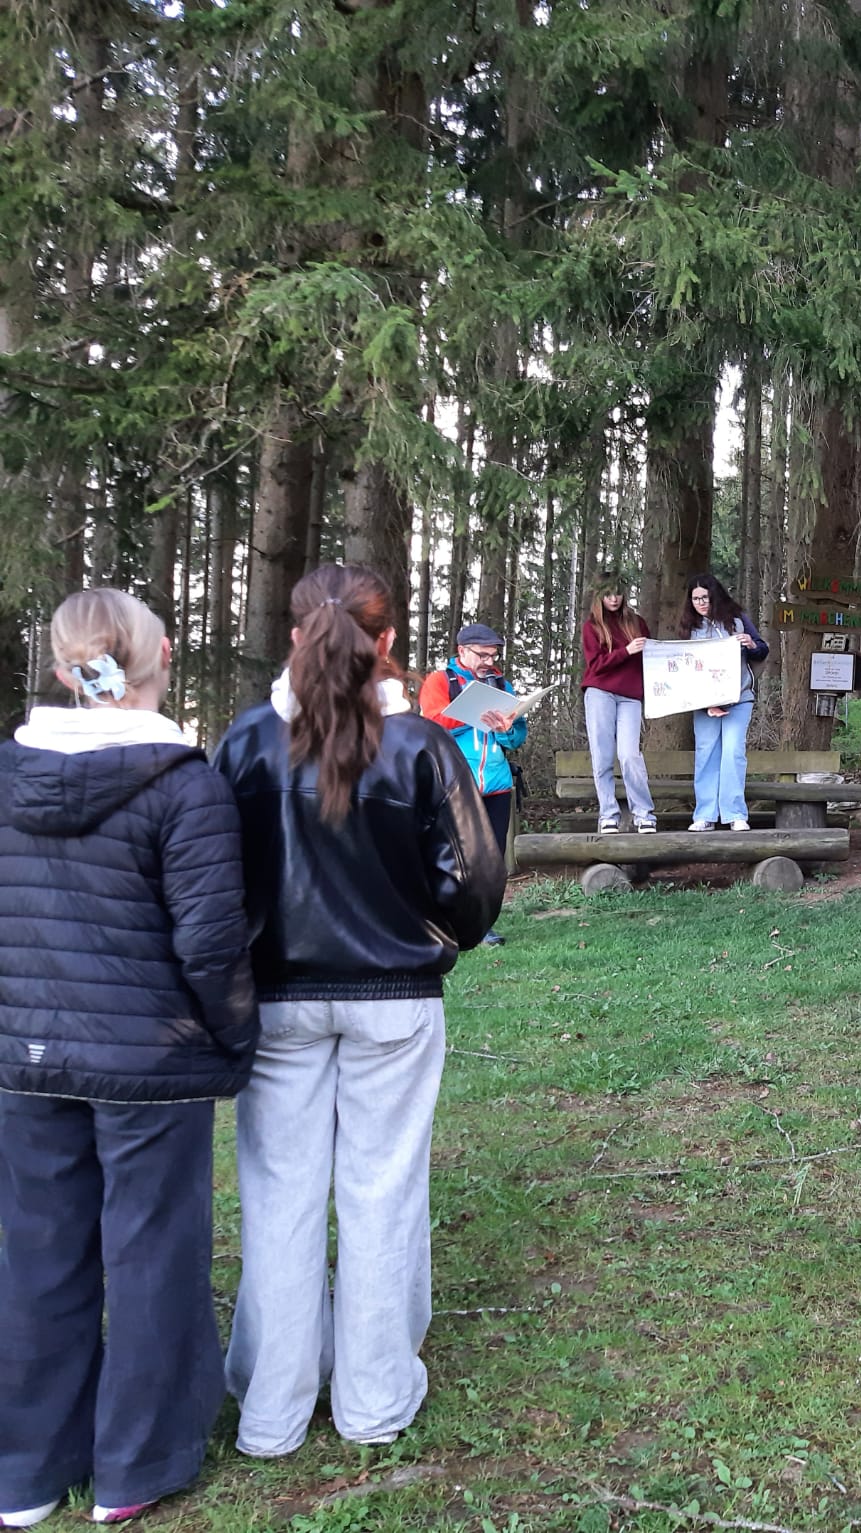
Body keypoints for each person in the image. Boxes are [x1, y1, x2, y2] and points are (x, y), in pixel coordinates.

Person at [214, 565, 505, 1460]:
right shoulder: (419, 745)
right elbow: (475, 887)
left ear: (296, 634)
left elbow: (210, 879)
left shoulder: (248, 743)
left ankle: (272, 1408)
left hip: (278, 1001)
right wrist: (428, 930)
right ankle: (374, 1398)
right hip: (394, 1000)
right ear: (387, 642)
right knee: (383, 1190)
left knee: (279, 1193)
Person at [0, 591, 257, 1530]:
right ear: (164, 655)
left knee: (36, 1254)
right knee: (152, 1250)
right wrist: (234, 1038)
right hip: (150, 1058)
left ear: (63, 668)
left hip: (25, 1056)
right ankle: (136, 1459)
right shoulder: (185, 783)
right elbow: (212, 943)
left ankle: (26, 1470)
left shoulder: (8, 774)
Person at [418, 620, 524, 944]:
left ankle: (482, 925)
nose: (489, 662)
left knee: (492, 861)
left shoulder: (502, 685)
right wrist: (473, 713)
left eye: (493, 656)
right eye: (482, 655)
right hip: (454, 785)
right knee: (453, 857)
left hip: (497, 784)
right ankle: (441, 923)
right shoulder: (440, 681)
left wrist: (506, 729)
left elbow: (517, 737)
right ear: (462, 651)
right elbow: (430, 722)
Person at [676, 573, 770, 832]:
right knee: (706, 754)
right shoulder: (689, 628)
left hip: (739, 699)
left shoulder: (737, 620)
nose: (701, 603)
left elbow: (762, 649)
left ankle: (735, 814)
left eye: (705, 597)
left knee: (733, 753)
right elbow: (685, 670)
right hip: (704, 704)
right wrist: (707, 703)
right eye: (695, 599)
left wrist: (751, 643)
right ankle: (705, 815)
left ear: (715, 596)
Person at [579, 574, 655, 834]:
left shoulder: (637, 623)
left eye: (618, 593)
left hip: (631, 696)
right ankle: (608, 815)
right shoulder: (592, 626)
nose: (613, 598)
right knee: (602, 756)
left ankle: (643, 814)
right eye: (608, 594)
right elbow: (596, 665)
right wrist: (626, 651)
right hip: (600, 692)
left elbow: (651, 658)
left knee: (630, 755)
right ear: (599, 596)